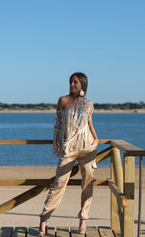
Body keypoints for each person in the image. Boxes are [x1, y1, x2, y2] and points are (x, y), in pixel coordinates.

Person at [38, 72, 99, 236]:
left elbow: (89, 123)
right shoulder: (63, 100)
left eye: (76, 82)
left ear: (83, 85)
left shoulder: (88, 103)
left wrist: (96, 138)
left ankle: (83, 218)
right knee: (59, 184)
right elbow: (57, 123)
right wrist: (57, 140)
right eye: (71, 82)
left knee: (88, 182)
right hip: (69, 148)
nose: (72, 84)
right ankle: (44, 218)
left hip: (87, 147)